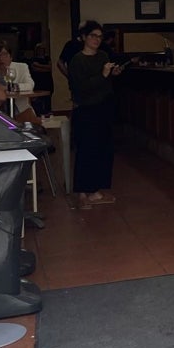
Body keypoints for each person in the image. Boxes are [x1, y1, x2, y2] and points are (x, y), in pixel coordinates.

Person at [66, 20, 124, 209]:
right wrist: (103, 75)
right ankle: (83, 192)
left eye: (99, 36)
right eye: (93, 36)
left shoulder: (103, 56)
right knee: (86, 150)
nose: (96, 40)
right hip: (86, 109)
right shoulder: (77, 60)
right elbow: (80, 88)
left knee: (103, 150)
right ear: (84, 37)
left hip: (104, 108)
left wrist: (113, 73)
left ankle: (95, 191)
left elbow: (105, 85)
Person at [0, 41, 36, 120]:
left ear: (11, 57)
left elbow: (30, 85)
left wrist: (9, 87)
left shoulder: (21, 67)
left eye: (4, 54)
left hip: (21, 112)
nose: (1, 58)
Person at [29, 42, 54, 116]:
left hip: (47, 80)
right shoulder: (33, 58)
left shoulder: (47, 58)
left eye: (42, 49)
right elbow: (34, 68)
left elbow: (50, 68)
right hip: (38, 81)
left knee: (47, 98)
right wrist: (44, 68)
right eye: (39, 49)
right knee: (38, 98)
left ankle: (47, 111)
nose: (41, 51)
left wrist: (39, 66)